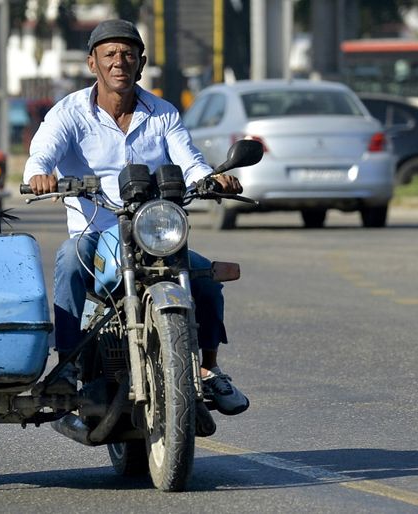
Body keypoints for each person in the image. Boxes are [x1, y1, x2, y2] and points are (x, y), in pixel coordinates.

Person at [23, 19, 249, 415]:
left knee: (207, 279)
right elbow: (41, 154)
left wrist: (212, 179)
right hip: (97, 230)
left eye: (128, 54)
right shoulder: (70, 113)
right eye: (109, 54)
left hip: (153, 230)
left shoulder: (162, 113)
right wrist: (39, 176)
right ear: (93, 63)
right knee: (68, 261)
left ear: (141, 63)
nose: (119, 62)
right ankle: (68, 365)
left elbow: (190, 161)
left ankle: (209, 368)